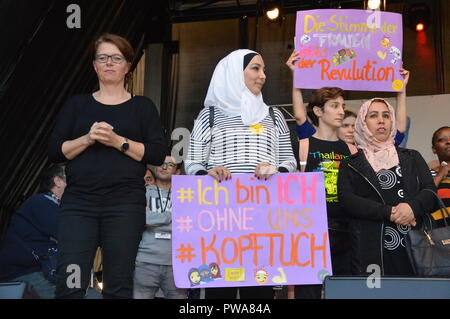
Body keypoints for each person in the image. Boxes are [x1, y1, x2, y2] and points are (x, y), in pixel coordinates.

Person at [47, 33, 167, 299]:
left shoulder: (142, 107)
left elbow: (158, 154)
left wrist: (117, 141)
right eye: (102, 58)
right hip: (79, 203)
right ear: (94, 65)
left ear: (128, 66)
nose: (109, 63)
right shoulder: (77, 105)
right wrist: (88, 138)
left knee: (118, 284)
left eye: (116, 58)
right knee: (70, 283)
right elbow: (55, 151)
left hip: (124, 205)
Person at [185, 49, 297, 299]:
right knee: (219, 290)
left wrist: (275, 169)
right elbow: (191, 162)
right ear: (235, 72)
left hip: (263, 218)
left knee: (259, 291)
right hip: (220, 219)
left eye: (264, 70)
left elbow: (289, 161)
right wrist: (208, 172)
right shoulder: (209, 115)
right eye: (255, 68)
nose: (263, 76)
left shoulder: (274, 115)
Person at [338, 98, 437, 276]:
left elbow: (430, 190)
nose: (381, 120)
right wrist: (389, 212)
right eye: (373, 116)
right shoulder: (351, 164)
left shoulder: (412, 156)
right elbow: (347, 201)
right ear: (363, 122)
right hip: (370, 249)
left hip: (415, 245)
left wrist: (412, 207)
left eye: (386, 115)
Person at [286, 51, 409, 146]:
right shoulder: (312, 140)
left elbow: (400, 129)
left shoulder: (361, 150)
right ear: (318, 111)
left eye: (354, 126)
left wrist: (401, 90)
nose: (341, 112)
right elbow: (300, 116)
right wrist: (296, 76)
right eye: (345, 126)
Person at [0, 164, 66, 299]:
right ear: (58, 181)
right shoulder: (41, 202)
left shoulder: (53, 207)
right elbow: (69, 234)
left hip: (40, 271)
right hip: (25, 273)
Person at [133, 155, 186, 299]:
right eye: (161, 163)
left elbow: (190, 223)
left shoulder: (187, 195)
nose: (164, 167)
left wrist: (153, 219)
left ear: (177, 172)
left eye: (170, 165)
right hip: (145, 261)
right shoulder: (142, 192)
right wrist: (171, 217)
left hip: (177, 263)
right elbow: (140, 219)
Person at [430, 126, 450, 224]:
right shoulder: (427, 174)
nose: (448, 142)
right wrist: (440, 175)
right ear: (434, 149)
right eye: (442, 140)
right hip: (440, 234)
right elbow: (423, 198)